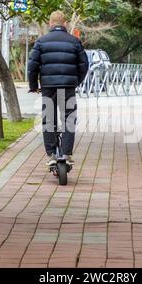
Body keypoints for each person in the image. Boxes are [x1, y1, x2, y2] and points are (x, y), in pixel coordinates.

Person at [28, 11, 89, 168]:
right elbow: (84, 65)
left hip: (48, 87)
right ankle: (67, 153)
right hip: (67, 86)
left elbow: (32, 66)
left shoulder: (41, 42)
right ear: (65, 24)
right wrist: (76, 82)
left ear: (50, 24)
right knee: (69, 118)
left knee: (49, 119)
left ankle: (52, 155)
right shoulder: (74, 42)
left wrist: (34, 86)